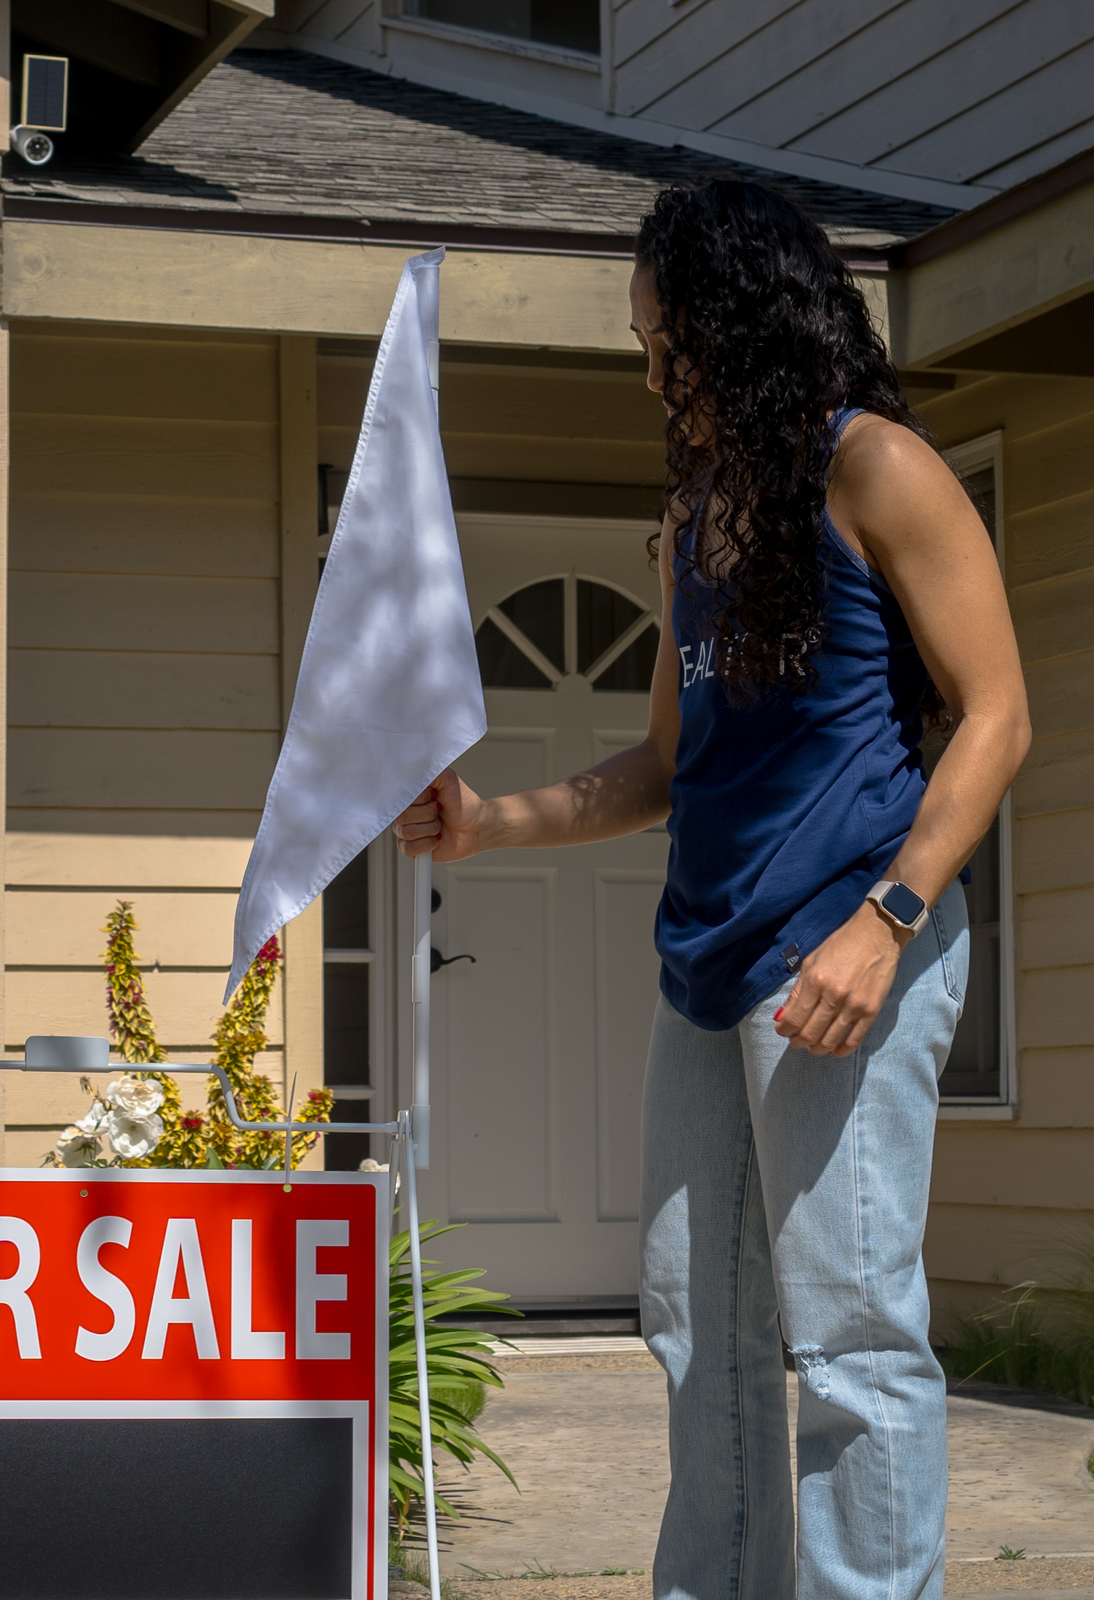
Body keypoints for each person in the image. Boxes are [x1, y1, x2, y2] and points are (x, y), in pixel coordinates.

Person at [393, 180, 1030, 1600]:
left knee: (853, 1338)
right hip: (709, 970)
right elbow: (669, 765)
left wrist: (891, 921)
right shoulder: (693, 521)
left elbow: (997, 720)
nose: (648, 370)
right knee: (701, 1329)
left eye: (658, 339)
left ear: (731, 328)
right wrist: (486, 823)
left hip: (855, 948)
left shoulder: (877, 471)